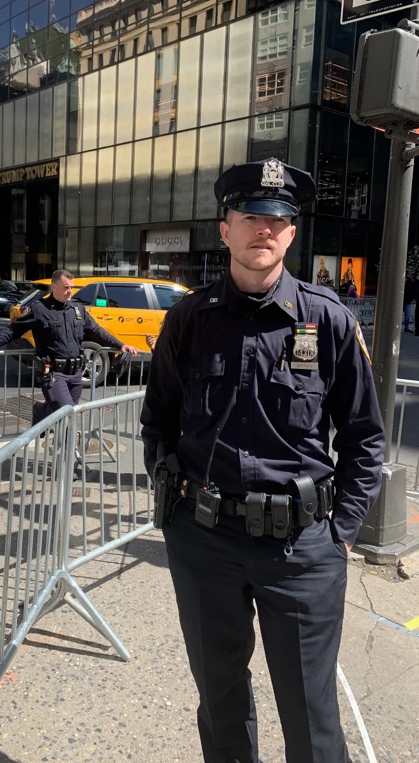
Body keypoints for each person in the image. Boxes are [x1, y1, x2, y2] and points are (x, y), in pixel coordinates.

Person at [141, 157, 385, 763]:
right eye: (250, 216)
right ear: (224, 229)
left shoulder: (327, 319)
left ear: (292, 233)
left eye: (276, 219)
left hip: (301, 552)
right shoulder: (189, 320)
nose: (263, 230)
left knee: (311, 715)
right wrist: (175, 515)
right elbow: (158, 422)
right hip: (205, 543)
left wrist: (342, 532)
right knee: (221, 704)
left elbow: (364, 436)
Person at [0, 269, 138, 422]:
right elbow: (12, 331)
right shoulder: (39, 309)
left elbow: (96, 331)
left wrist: (120, 345)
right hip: (54, 374)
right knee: (66, 411)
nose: (70, 291)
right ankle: (40, 411)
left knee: (69, 417)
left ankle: (64, 451)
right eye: (66, 287)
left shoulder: (77, 309)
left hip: (76, 373)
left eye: (72, 287)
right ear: (54, 286)